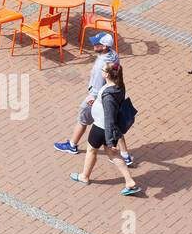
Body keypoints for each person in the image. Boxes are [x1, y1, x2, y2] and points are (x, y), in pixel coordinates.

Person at [53, 33, 133, 166]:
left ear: (105, 46)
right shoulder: (113, 54)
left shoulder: (101, 65)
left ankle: (72, 145)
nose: (94, 45)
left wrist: (91, 98)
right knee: (114, 124)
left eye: (97, 43)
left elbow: (95, 88)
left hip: (98, 98)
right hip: (113, 94)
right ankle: (125, 155)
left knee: (83, 119)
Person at [71, 60, 141, 195]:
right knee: (113, 154)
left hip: (101, 128)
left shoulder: (109, 96)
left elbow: (109, 119)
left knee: (91, 150)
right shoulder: (119, 85)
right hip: (106, 128)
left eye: (103, 70)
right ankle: (129, 181)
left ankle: (84, 176)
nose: (101, 72)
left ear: (107, 75)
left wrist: (110, 141)